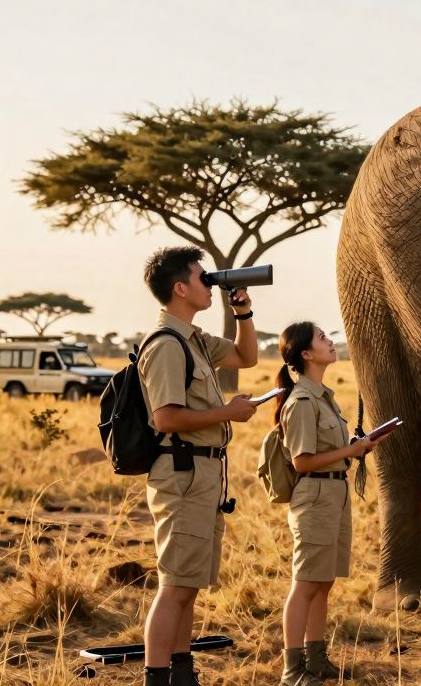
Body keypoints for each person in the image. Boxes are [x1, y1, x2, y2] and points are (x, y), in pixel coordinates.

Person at [138, 246, 259, 686]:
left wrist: (243, 312)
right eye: (201, 277)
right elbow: (166, 418)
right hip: (182, 474)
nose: (209, 284)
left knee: (188, 584)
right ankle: (156, 676)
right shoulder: (166, 346)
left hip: (203, 474)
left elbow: (246, 357)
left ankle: (182, 671)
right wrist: (228, 412)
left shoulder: (195, 340)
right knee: (174, 585)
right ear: (180, 288)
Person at [275, 322, 383, 686]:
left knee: (323, 582)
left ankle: (316, 659)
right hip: (315, 496)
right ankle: (292, 670)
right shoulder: (302, 402)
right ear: (306, 354)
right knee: (306, 583)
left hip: (334, 493)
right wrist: (349, 451)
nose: (330, 341)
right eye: (322, 338)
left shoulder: (323, 397)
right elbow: (301, 461)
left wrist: (355, 447)